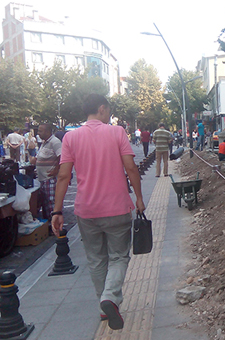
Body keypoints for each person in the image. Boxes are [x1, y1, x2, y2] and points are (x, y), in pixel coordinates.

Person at [51, 94, 145, 330]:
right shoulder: (116, 133)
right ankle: (110, 297)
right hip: (116, 208)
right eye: (109, 111)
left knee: (96, 259)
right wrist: (140, 198)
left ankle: (103, 308)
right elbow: (131, 167)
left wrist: (57, 210)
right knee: (119, 256)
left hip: (86, 211)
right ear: (102, 109)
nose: (109, 115)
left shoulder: (71, 138)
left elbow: (63, 175)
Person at [30, 124, 61, 220]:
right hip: (42, 178)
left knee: (51, 203)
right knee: (45, 203)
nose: (38, 133)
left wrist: (55, 170)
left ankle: (54, 226)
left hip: (50, 178)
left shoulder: (55, 142)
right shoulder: (44, 143)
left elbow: (62, 156)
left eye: (40, 131)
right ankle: (48, 225)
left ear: (47, 132)